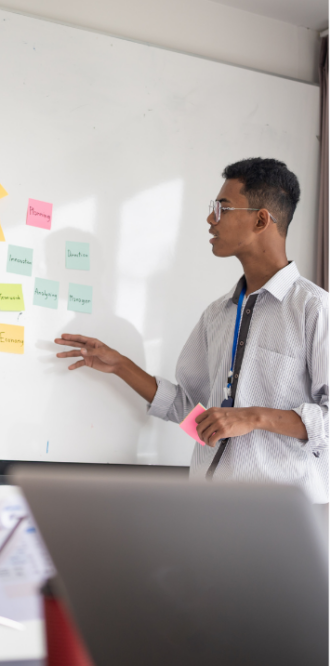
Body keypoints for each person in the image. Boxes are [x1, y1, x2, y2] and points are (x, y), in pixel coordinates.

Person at [55, 158, 328, 503]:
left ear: (261, 220)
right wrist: (120, 365)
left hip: (279, 516)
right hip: (208, 508)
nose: (211, 218)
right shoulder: (217, 314)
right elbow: (191, 411)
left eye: (223, 207)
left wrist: (253, 417)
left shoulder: (313, 308)